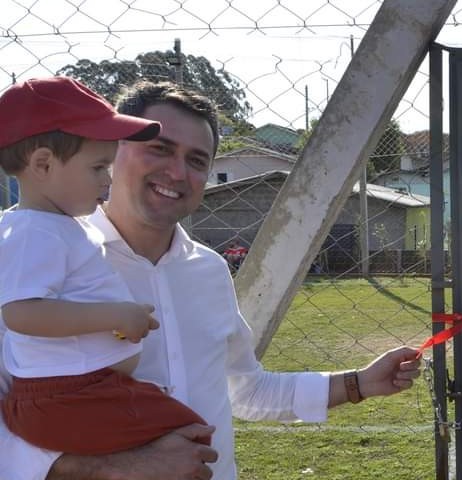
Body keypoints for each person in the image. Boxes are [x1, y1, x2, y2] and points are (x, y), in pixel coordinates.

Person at [0, 81, 422, 480]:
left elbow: (247, 390)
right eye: (159, 148)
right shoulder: (28, 255)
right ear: (113, 152)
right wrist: (122, 467)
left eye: (197, 160)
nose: (178, 172)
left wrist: (359, 383)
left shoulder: (208, 270)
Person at [0, 76, 210, 455]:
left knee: (185, 434)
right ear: (44, 164)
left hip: (81, 392)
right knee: (188, 437)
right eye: (99, 167)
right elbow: (20, 313)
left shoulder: (58, 228)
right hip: (62, 398)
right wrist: (115, 316)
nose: (107, 180)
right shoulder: (34, 232)